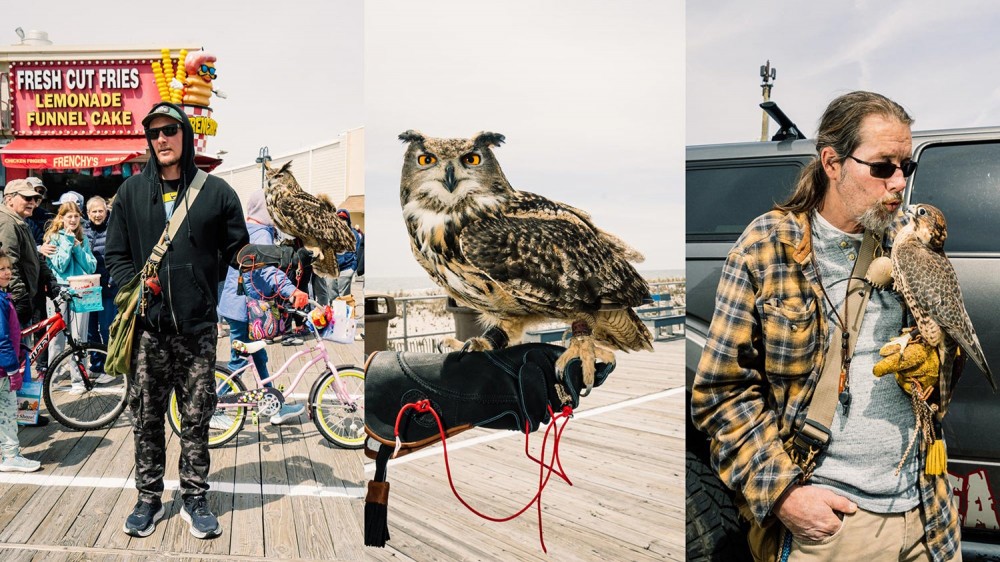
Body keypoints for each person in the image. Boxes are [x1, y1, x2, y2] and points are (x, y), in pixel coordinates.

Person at [691, 91, 960, 561]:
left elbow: (949, 362)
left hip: (928, 516)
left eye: (906, 167)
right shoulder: (767, 247)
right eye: (882, 167)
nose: (899, 182)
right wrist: (784, 495)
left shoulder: (911, 245)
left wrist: (937, 364)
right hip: (835, 525)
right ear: (832, 163)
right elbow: (721, 394)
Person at [105, 102, 248, 540]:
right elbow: (117, 255)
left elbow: (237, 251)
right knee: (145, 417)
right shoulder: (130, 194)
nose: (162, 139)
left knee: (197, 416)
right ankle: (148, 498)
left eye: (170, 130)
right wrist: (136, 291)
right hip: (149, 332)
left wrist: (273, 261)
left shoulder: (217, 191)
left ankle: (195, 498)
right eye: (154, 133)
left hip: (199, 329)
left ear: (185, 135)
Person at [216, 190, 309, 425]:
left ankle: (274, 406)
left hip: (236, 305)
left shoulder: (245, 230)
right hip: (244, 308)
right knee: (239, 361)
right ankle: (213, 407)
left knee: (258, 356)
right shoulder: (260, 234)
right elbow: (266, 270)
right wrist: (292, 291)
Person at [42, 201, 105, 394]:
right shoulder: (52, 238)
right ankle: (53, 376)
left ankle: (78, 379)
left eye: (76, 216)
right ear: (61, 218)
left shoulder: (83, 238)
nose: (73, 220)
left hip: (81, 289)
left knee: (80, 336)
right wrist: (68, 242)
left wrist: (77, 247)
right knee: (56, 337)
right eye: (68, 216)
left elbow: (91, 266)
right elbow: (60, 265)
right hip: (59, 290)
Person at [0, 249, 41, 473]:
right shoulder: (0, 301)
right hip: (3, 369)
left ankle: (9, 454)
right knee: (7, 412)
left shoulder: (3, 297)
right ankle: (10, 455)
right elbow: (2, 338)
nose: (8, 273)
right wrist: (13, 369)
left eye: (9, 268)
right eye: (2, 269)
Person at [84, 196, 116, 375]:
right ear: (88, 213)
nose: (97, 214)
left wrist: (113, 280)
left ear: (106, 211)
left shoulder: (114, 227)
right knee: (90, 330)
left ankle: (109, 366)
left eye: (100, 211)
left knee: (107, 328)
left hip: (109, 287)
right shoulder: (83, 229)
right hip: (89, 288)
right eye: (93, 211)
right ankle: (96, 364)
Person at [333, 208, 361, 297]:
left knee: (343, 299)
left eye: (344, 219)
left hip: (346, 270)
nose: (342, 221)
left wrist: (352, 269)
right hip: (331, 270)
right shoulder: (331, 232)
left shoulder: (354, 234)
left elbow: (358, 252)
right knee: (331, 298)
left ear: (348, 220)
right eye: (339, 218)